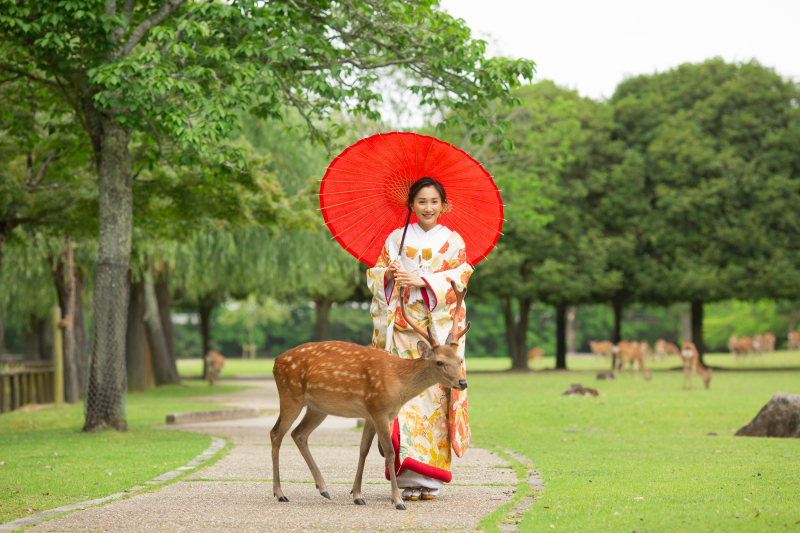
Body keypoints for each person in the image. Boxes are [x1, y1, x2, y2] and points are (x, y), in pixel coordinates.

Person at [366, 176, 473, 501]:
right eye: (421, 201)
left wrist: (423, 281)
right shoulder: (395, 238)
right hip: (401, 331)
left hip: (438, 335)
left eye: (434, 202)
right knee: (402, 400)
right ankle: (406, 478)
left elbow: (461, 278)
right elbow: (375, 275)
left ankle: (430, 481)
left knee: (435, 402)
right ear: (410, 204)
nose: (428, 207)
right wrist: (388, 275)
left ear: (444, 205)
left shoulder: (453, 241)